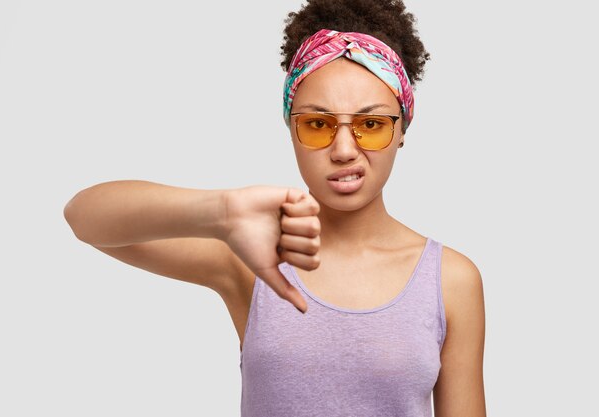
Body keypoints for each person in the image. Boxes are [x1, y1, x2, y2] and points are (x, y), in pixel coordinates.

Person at [63, 0, 486, 415]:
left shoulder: (448, 280)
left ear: (402, 130)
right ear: (290, 128)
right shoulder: (252, 255)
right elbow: (85, 217)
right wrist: (222, 212)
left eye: (370, 125)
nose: (343, 150)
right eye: (317, 124)